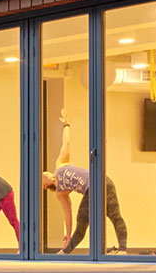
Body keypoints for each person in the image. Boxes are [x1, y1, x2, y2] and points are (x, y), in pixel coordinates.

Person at [42, 109, 128, 254]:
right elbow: (67, 213)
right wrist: (67, 234)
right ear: (45, 185)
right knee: (81, 221)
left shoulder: (60, 165)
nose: (46, 173)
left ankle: (123, 249)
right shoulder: (61, 193)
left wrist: (66, 125)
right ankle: (66, 250)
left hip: (103, 181)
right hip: (90, 189)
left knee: (115, 215)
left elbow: (66, 143)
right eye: (43, 176)